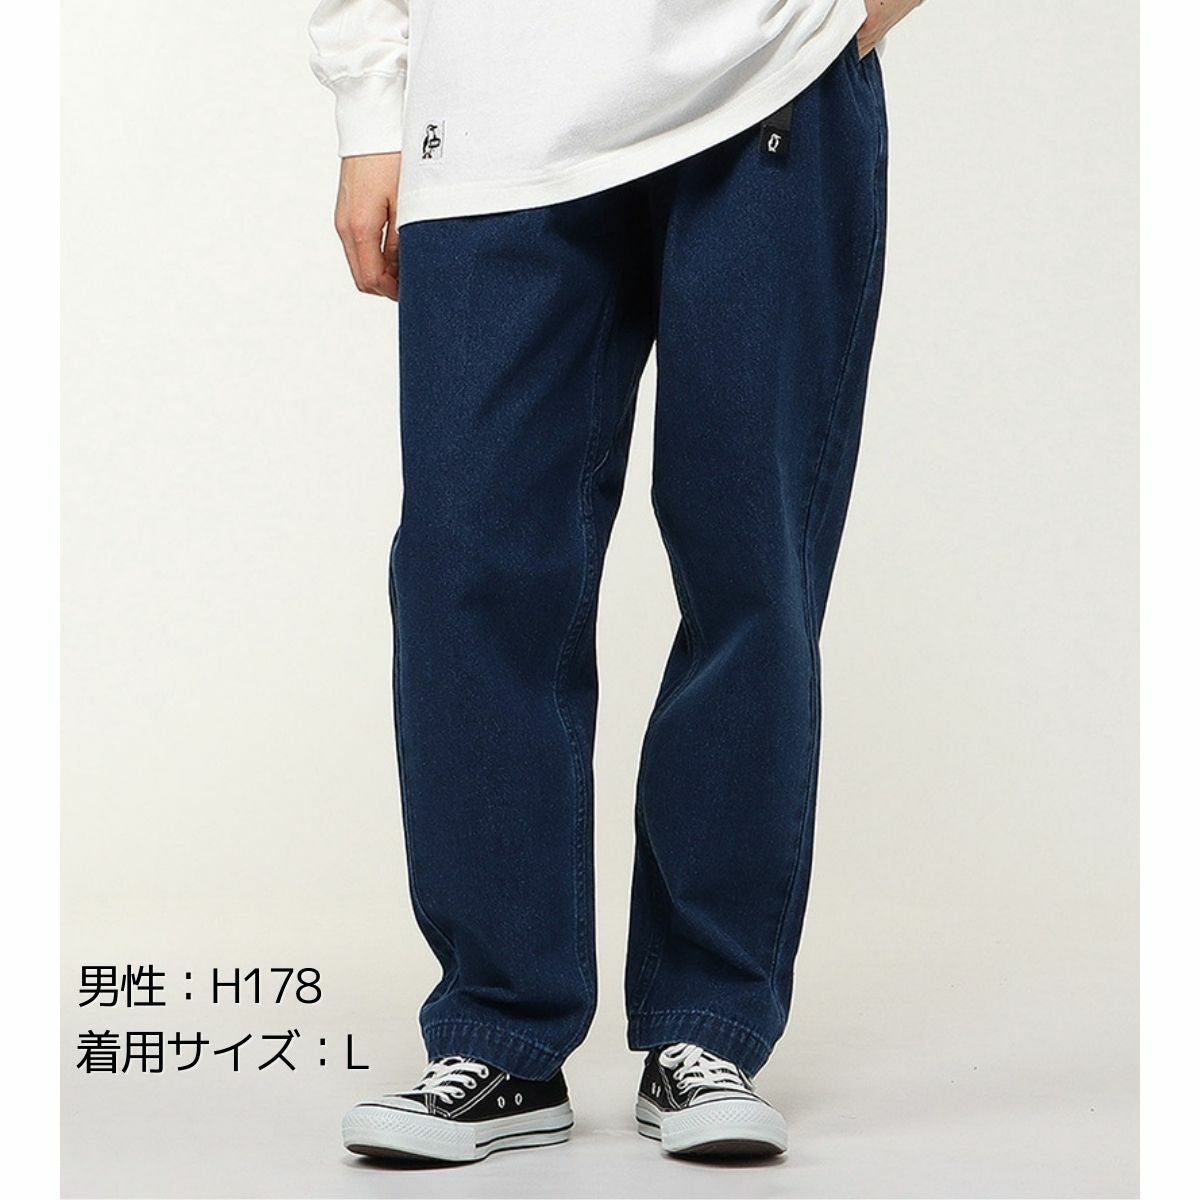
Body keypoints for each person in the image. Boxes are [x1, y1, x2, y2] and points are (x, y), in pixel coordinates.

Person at [309, 0, 924, 1165]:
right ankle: (499, 1032)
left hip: (768, 87)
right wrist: (368, 109)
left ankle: (707, 1025)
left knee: (752, 569)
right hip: (490, 113)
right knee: (466, 571)